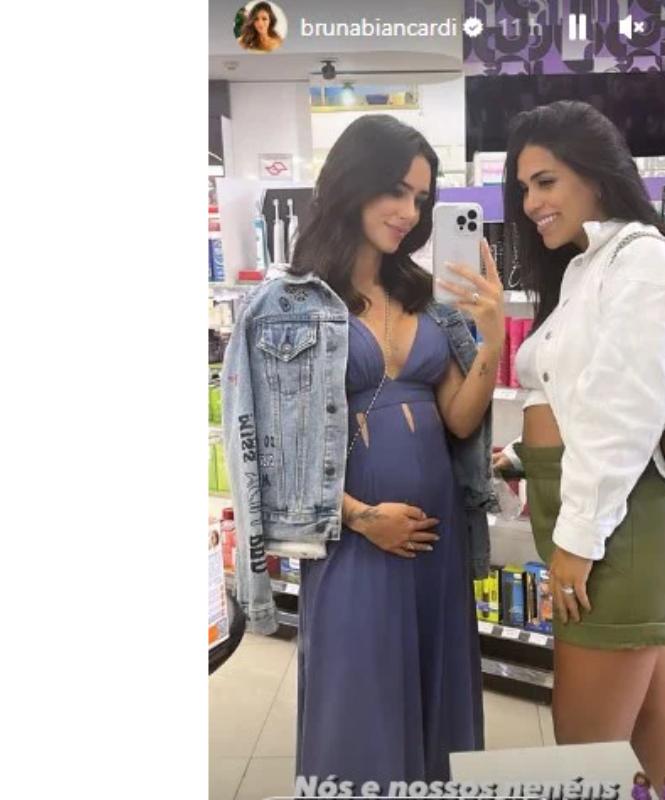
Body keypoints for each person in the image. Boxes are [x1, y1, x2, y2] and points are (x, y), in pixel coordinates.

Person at [223, 114, 504, 785]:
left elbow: (459, 418)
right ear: (353, 182)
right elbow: (262, 448)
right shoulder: (284, 306)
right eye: (397, 191)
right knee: (360, 712)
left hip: (437, 537)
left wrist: (492, 337)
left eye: (422, 198)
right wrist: (361, 517)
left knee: (439, 706)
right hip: (352, 541)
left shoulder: (426, 299)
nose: (410, 212)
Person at [493, 100, 665, 789]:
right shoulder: (591, 265)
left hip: (623, 527)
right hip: (618, 518)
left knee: (583, 752)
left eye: (546, 181)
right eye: (523, 187)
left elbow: (626, 410)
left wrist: (579, 539)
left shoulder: (642, 262)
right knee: (647, 714)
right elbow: (582, 395)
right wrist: (523, 458)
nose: (531, 203)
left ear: (596, 173)